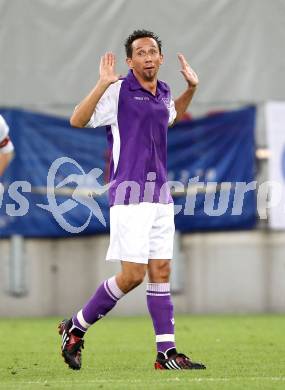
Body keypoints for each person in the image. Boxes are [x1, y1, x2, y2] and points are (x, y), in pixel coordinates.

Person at [60, 29, 206, 370]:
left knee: (161, 269)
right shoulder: (119, 90)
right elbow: (77, 120)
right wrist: (102, 84)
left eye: (153, 51)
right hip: (129, 193)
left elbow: (169, 117)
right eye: (141, 53)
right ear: (130, 61)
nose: (148, 57)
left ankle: (166, 354)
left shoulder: (164, 91)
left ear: (161, 58)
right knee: (132, 275)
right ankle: (76, 327)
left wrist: (192, 89)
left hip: (160, 195)